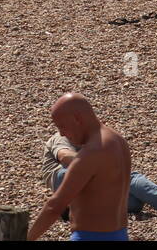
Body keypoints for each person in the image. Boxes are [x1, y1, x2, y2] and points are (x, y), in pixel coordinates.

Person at [42, 131, 157, 223]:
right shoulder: (62, 136)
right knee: (127, 178)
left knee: (135, 202)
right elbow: (66, 157)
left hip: (89, 187)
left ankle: (76, 208)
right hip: (64, 181)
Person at [28, 93, 132, 241]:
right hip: (120, 234)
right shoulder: (118, 140)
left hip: (90, 236)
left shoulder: (92, 152)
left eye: (62, 127)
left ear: (77, 119)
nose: (62, 134)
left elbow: (55, 206)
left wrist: (27, 237)